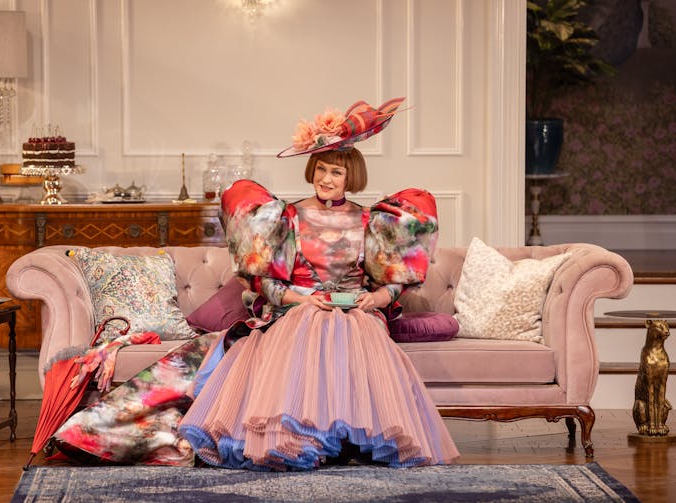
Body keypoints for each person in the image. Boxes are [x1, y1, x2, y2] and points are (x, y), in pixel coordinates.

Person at [52, 97, 459, 470]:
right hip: (297, 310)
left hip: (357, 314)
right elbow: (263, 284)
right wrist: (301, 299)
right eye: (321, 169)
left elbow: (392, 285)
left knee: (352, 330)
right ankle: (302, 442)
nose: (327, 178)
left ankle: (346, 440)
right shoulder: (285, 217)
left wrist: (375, 299)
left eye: (336, 171)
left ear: (350, 177)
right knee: (311, 326)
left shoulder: (372, 220)